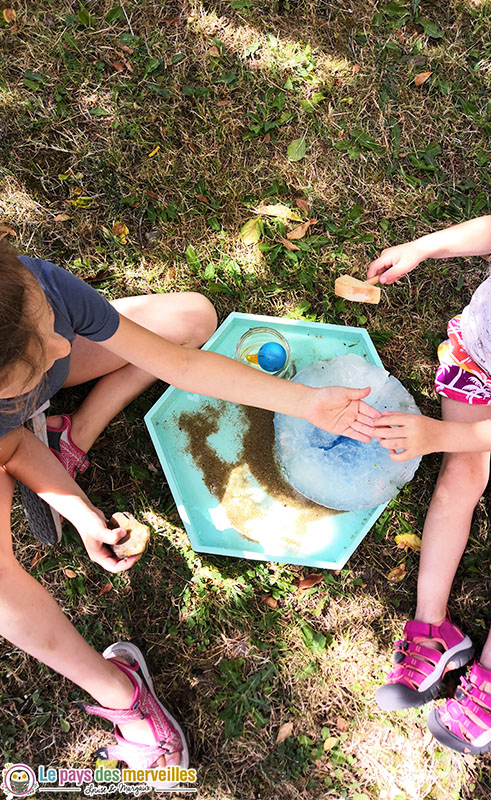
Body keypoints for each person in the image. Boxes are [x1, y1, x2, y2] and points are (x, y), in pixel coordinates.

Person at [0, 239, 380, 782]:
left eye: (51, 325)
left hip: (9, 417)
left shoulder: (32, 289)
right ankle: (121, 691)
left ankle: (71, 434)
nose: (64, 347)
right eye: (39, 354)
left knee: (192, 317)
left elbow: (178, 361)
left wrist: (304, 402)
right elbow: (9, 447)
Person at [368, 165, 491, 755]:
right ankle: (433, 627)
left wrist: (434, 434)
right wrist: (423, 248)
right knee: (460, 476)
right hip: (480, 356)